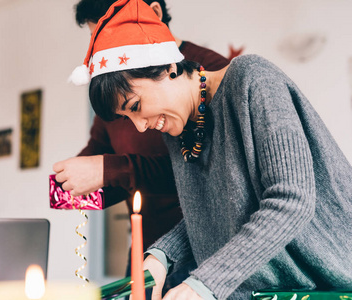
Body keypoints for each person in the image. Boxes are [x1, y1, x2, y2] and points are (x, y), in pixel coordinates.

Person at [69, 0, 352, 299]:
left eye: (136, 106)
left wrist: (204, 282)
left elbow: (291, 201)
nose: (140, 127)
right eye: (128, 118)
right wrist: (162, 255)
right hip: (268, 288)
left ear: (167, 67)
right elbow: (216, 210)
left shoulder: (250, 79)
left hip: (328, 282)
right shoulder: (180, 128)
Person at [53, 0, 229, 295]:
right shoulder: (119, 88)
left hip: (205, 254)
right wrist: (69, 185)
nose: (101, 50)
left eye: (107, 34)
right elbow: (102, 160)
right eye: (95, 39)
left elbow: (207, 175)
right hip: (147, 253)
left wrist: (110, 169)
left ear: (154, 13)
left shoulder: (208, 74)